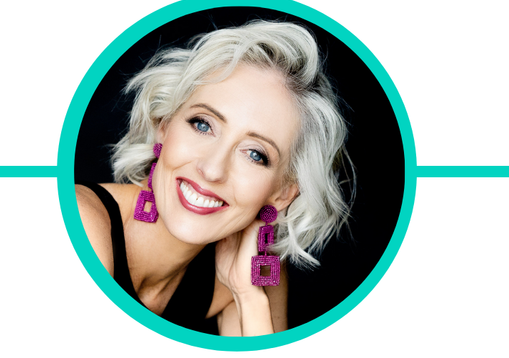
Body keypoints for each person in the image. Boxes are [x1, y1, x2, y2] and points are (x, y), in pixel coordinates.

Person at [76, 21, 353, 336]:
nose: (212, 169)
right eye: (203, 124)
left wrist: (249, 299)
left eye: (255, 154)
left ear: (282, 194)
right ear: (163, 125)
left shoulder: (252, 271)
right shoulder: (80, 225)